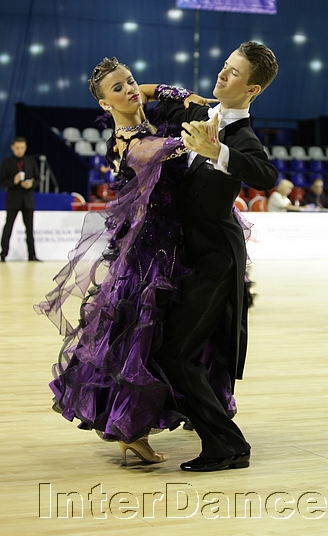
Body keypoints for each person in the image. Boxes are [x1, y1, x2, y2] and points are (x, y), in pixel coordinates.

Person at [35, 57, 214, 466]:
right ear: (104, 104)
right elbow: (158, 150)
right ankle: (130, 430)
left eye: (130, 80)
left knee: (170, 335)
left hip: (172, 245)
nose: (131, 89)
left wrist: (180, 93)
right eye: (118, 88)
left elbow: (149, 90)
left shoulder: (139, 107)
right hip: (148, 254)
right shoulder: (128, 141)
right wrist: (194, 138)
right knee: (140, 341)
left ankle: (152, 420)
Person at [139, 41, 279, 471]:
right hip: (188, 257)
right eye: (225, 66)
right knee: (169, 347)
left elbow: (266, 175)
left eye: (234, 73)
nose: (222, 74)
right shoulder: (200, 112)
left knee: (176, 351)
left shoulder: (242, 137)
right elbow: (151, 98)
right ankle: (215, 436)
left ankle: (227, 445)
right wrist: (129, 95)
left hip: (217, 260)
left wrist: (216, 152)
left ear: (252, 89)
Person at [1, 136, 40, 261]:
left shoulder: (30, 162)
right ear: (12, 147)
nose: (19, 150)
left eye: (22, 148)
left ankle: (32, 255)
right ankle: (3, 253)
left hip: (27, 200)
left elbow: (38, 179)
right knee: (8, 227)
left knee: (29, 228)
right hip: (13, 199)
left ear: (25, 148)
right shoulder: (7, 163)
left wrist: (31, 184)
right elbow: (2, 181)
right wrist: (14, 181)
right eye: (17, 148)